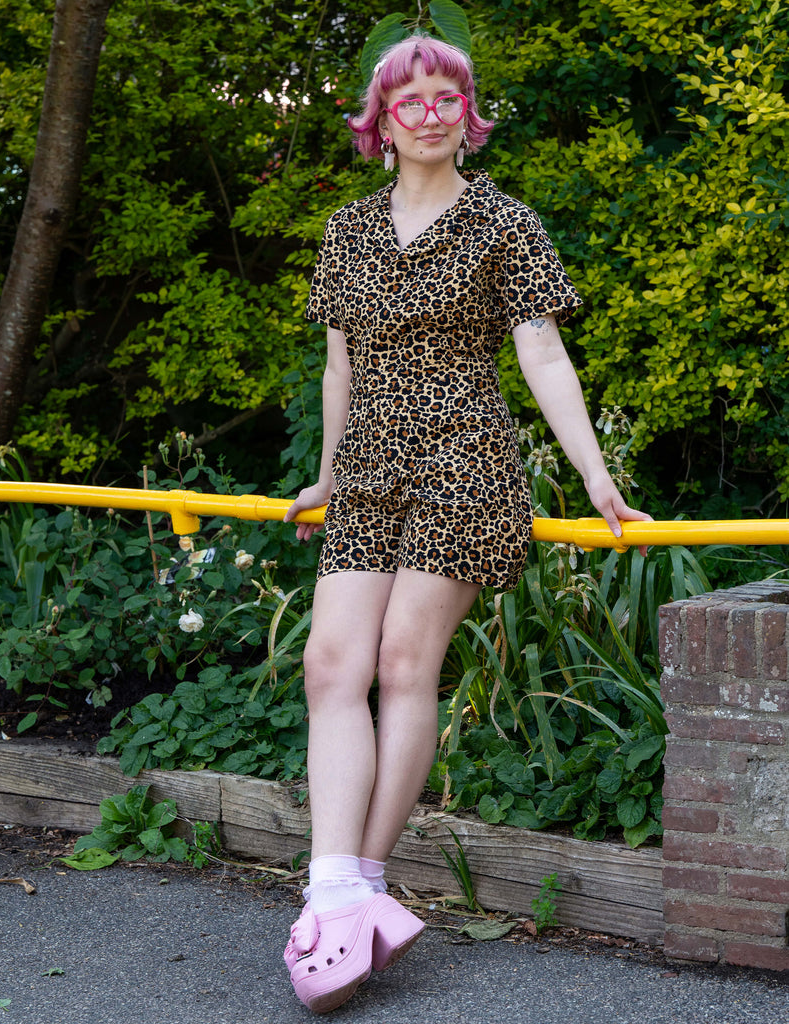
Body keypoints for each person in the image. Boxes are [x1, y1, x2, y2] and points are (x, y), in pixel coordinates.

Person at [282, 34, 651, 1013]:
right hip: (365, 467)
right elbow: (337, 367)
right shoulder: (346, 230)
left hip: (464, 458)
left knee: (404, 661)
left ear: (469, 114)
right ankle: (340, 891)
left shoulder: (503, 223)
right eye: (415, 99)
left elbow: (543, 356)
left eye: (452, 97)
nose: (435, 111)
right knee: (331, 663)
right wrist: (323, 475)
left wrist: (596, 475)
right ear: (382, 119)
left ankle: (352, 885)